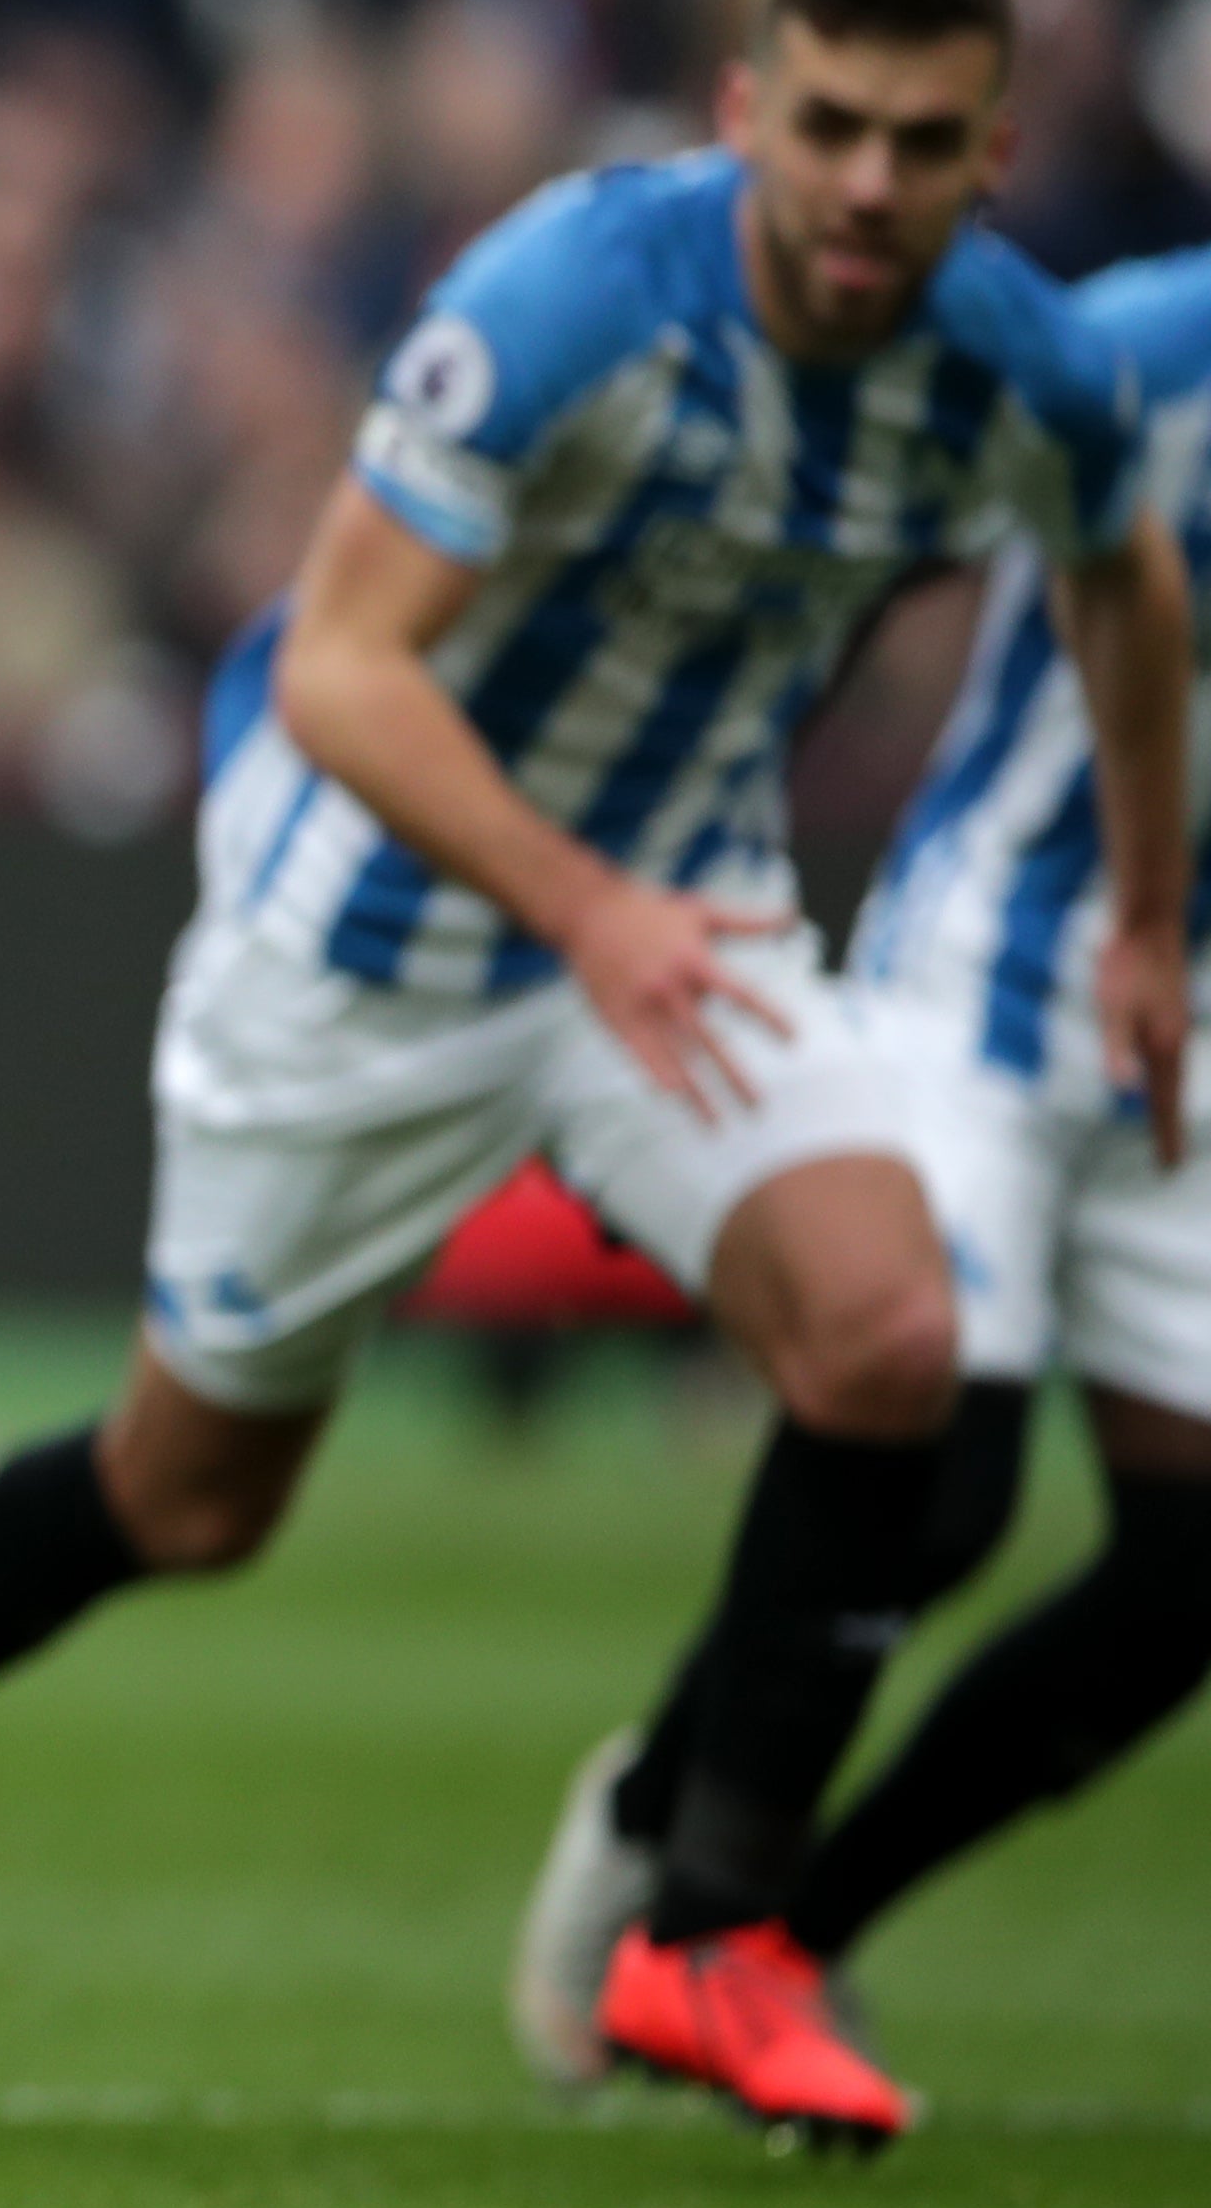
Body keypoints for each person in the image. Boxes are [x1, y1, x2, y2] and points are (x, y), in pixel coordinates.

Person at [0, 0, 1190, 2153]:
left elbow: (1129, 582)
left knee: (887, 1345)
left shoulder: (1022, 369)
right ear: (743, 115)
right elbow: (343, 669)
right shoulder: (569, 301)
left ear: (994, 157)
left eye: (921, 144)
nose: (862, 183)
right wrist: (583, 905)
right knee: (198, 1495)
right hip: (371, 934)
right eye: (823, 125)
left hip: (678, 917)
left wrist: (1141, 910)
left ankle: (711, 1929)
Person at [511, 242, 1211, 2114]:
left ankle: (795, 1928)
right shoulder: (1134, 357)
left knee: (1190, 1561)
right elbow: (854, 536)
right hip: (1002, 956)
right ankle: (665, 1813)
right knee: (941, 1474)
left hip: (1194, 1021)